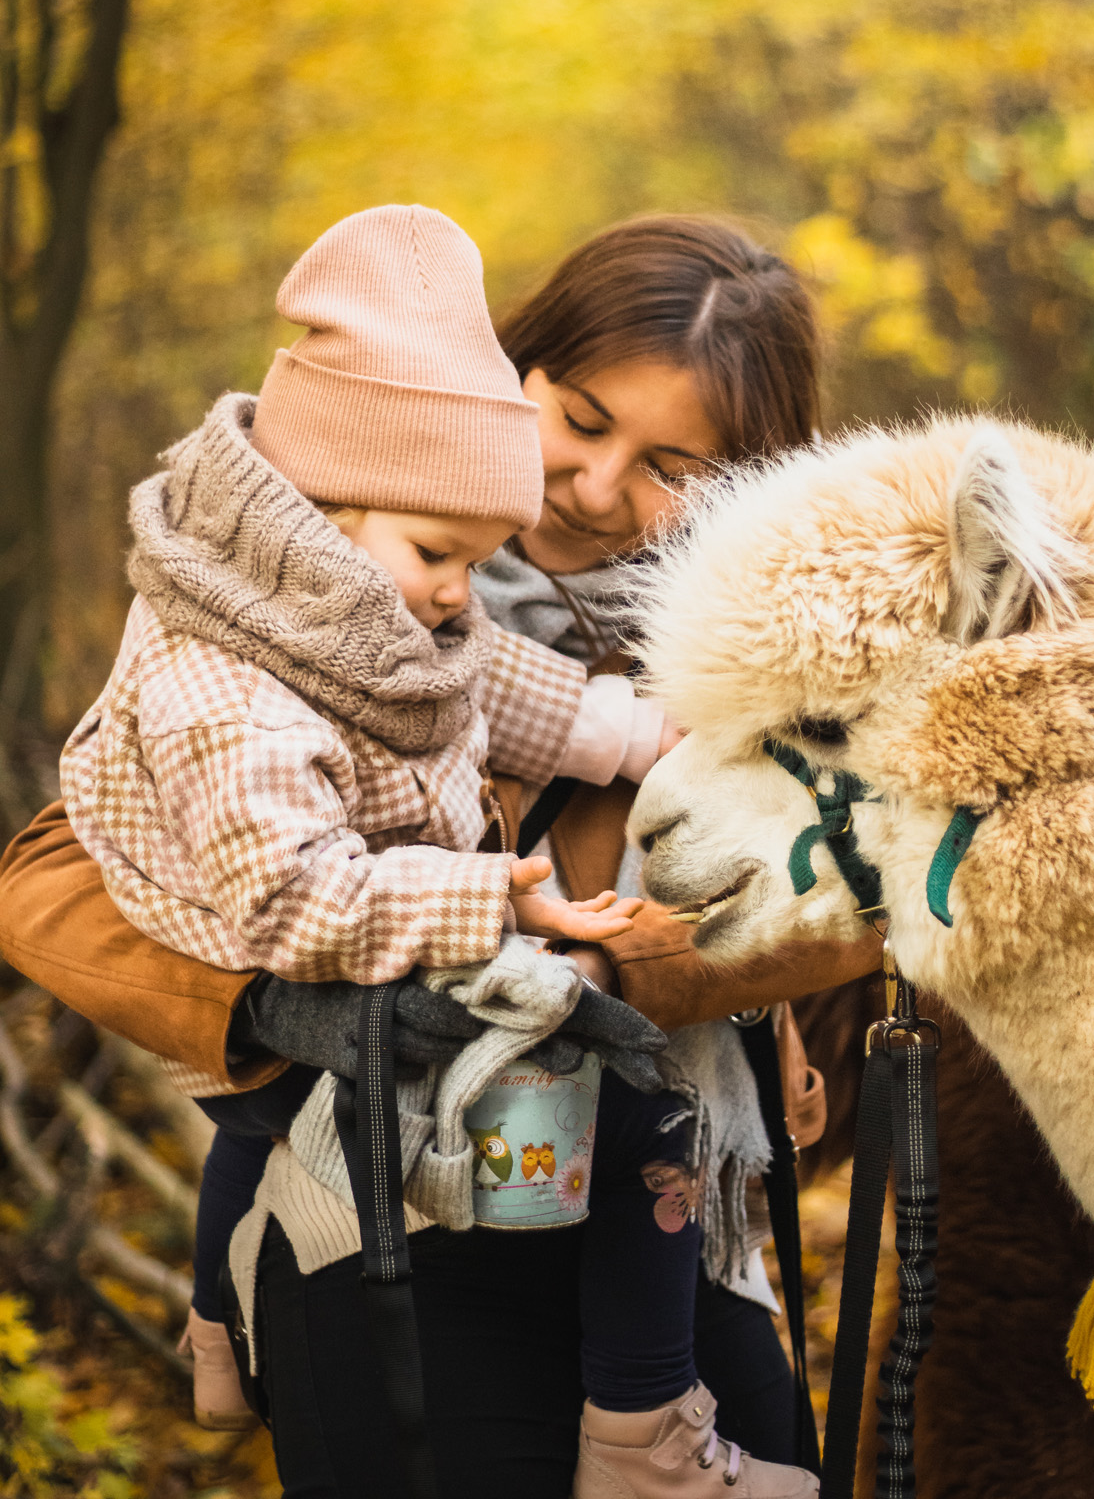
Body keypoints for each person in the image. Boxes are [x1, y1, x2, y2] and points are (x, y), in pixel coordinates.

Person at [0, 213, 879, 1497]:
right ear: (511, 368)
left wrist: (601, 986)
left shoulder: (769, 657)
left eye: (668, 466)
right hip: (381, 1193)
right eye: (579, 421)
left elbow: (851, 903)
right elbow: (50, 875)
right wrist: (283, 997)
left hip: (665, 1205)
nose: (592, 487)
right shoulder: (304, 594)